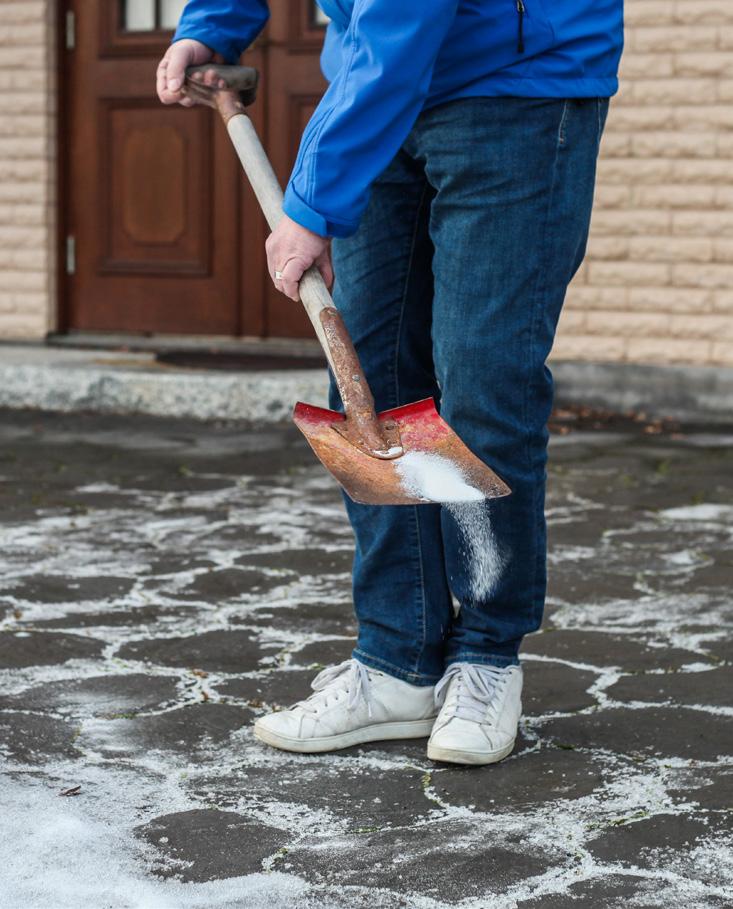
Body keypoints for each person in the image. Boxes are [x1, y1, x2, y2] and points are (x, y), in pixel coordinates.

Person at [157, 0, 624, 766]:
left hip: (517, 83)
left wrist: (313, 204)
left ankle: (486, 655)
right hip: (375, 86)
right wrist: (214, 22)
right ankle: (397, 657)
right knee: (367, 388)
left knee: (482, 386)